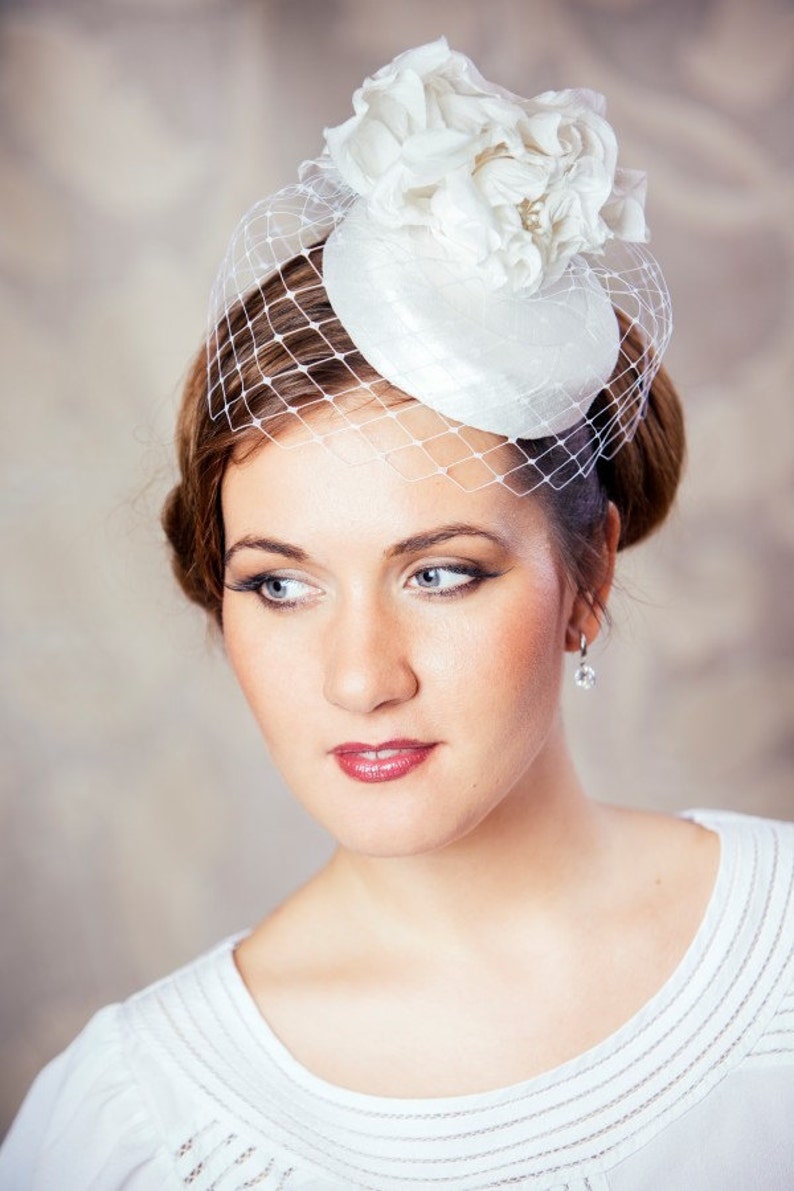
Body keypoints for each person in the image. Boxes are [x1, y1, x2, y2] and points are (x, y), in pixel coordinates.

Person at [1, 38, 792, 1191]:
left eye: (439, 574)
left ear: (590, 576)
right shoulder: (137, 1127)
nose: (360, 677)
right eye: (278, 584)